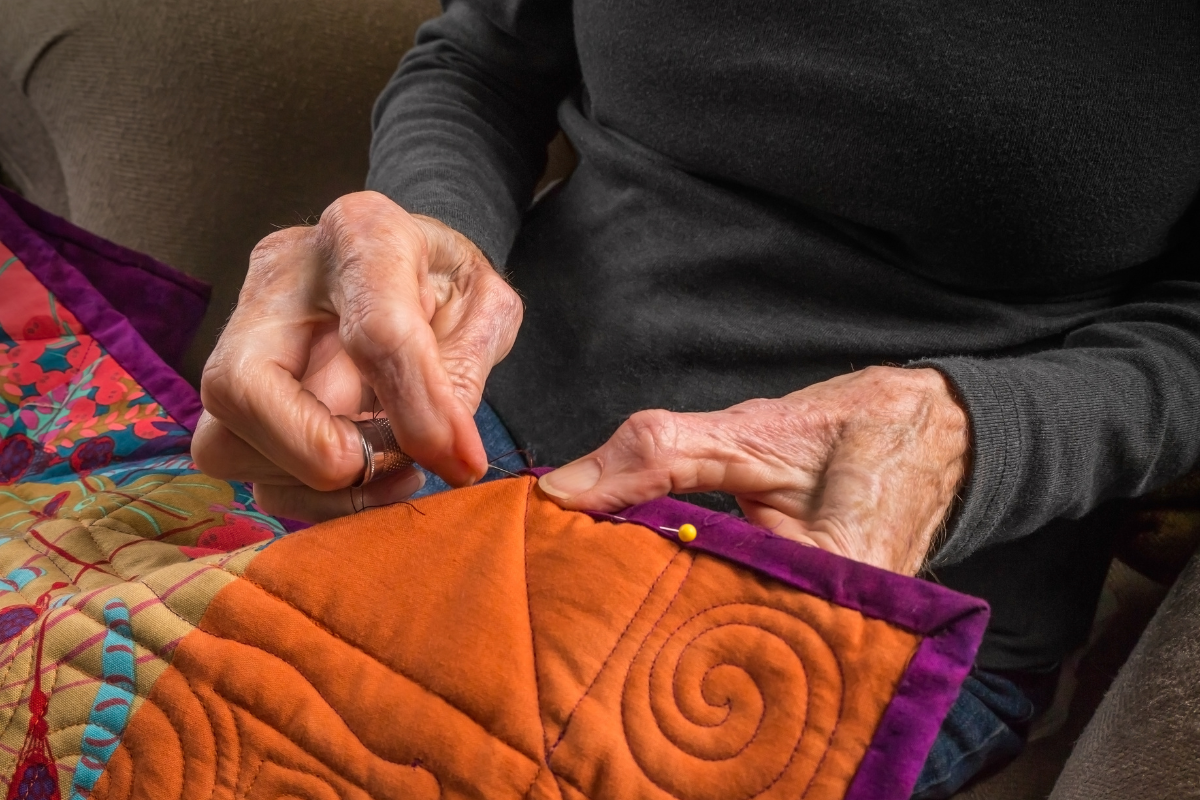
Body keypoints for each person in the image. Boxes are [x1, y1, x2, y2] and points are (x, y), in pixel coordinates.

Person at [190, 1, 1200, 796]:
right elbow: (480, 62)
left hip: (858, 581)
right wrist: (419, 249)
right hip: (461, 429)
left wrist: (961, 436)